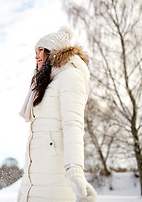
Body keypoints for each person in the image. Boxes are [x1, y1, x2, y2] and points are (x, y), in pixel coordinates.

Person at [17, 27, 97, 202]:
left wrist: (75, 169)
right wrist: (23, 190)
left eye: (41, 51)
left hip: (55, 179)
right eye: (35, 52)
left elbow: (73, 125)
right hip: (36, 181)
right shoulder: (45, 84)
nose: (36, 56)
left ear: (52, 52)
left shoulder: (70, 76)